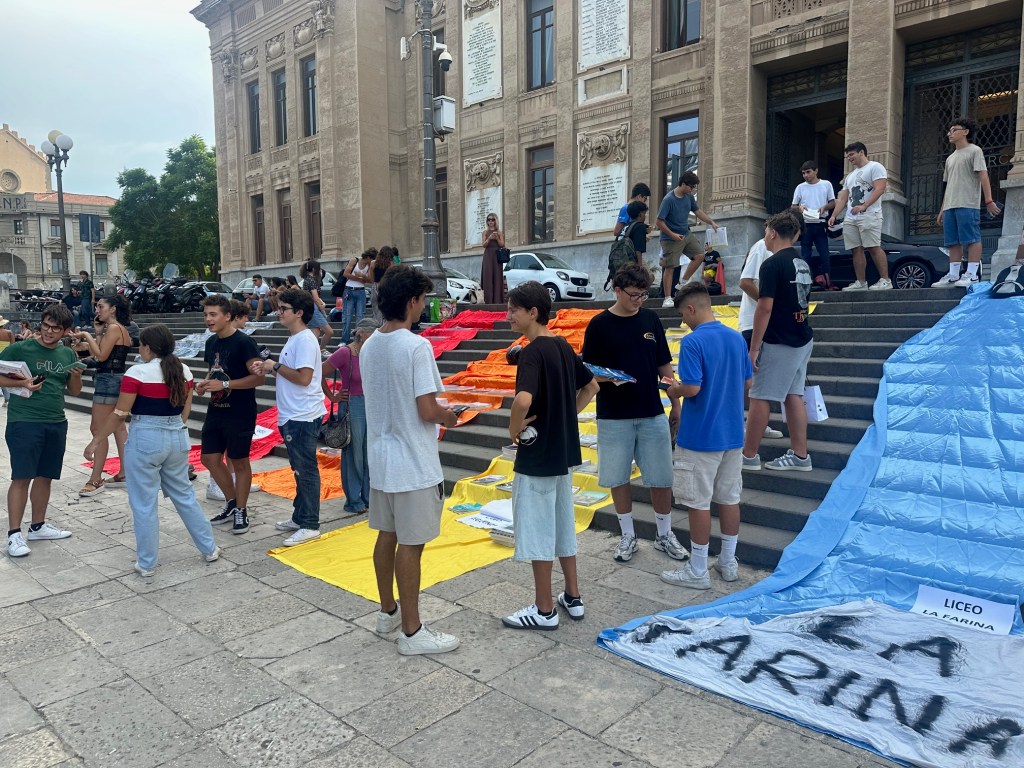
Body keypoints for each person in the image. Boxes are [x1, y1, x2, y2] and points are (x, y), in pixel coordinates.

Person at [360, 265, 460, 655]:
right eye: (422, 300)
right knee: (412, 544)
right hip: (412, 460)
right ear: (412, 301)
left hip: (381, 455)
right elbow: (426, 408)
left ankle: (388, 611)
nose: (423, 307)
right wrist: (450, 416)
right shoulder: (416, 346)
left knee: (387, 535)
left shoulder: (370, 344)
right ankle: (413, 631)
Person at [84, 324, 220, 576]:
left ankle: (147, 563)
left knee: (144, 503)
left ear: (147, 347)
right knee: (185, 496)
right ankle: (209, 548)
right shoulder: (185, 370)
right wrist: (175, 428)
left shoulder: (137, 372)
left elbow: (120, 413)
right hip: (177, 436)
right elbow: (185, 412)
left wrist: (96, 440)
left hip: (146, 437)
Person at [501, 282, 599, 630]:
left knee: (537, 529)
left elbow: (523, 401)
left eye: (514, 309)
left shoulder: (531, 352)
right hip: (561, 452)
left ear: (533, 312)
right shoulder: (561, 346)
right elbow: (591, 386)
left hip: (537, 454)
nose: (508, 315)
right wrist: (566, 417)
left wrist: (514, 430)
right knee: (561, 523)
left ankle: (544, 609)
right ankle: (572, 595)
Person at [580, 263, 688, 564]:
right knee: (618, 477)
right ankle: (627, 535)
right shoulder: (599, 324)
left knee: (661, 477)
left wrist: (674, 397)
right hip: (614, 414)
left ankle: (665, 534)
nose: (638, 300)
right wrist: (609, 377)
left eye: (643, 295)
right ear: (617, 290)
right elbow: (587, 370)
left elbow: (663, 364)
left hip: (651, 410)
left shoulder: (651, 319)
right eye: (633, 295)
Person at [661, 282, 751, 589]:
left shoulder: (692, 342)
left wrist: (672, 389)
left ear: (691, 308)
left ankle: (697, 569)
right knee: (729, 499)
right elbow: (748, 383)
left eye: (682, 315)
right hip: (732, 433)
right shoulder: (736, 338)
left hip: (700, 435)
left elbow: (693, 387)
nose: (683, 322)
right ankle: (728, 561)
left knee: (698, 502)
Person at [1, 305, 82, 558]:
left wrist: (77, 373)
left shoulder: (67, 354)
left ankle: (38, 526)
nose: (48, 331)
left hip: (56, 421)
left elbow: (75, 391)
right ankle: (14, 535)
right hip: (24, 421)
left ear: (65, 331)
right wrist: (22, 382)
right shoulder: (21, 348)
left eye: (55, 328)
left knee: (45, 476)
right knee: (22, 476)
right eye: (46, 325)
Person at [251, 289, 327, 545]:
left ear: (299, 312)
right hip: (292, 413)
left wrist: (275, 366)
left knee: (306, 470)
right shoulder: (296, 338)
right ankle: (300, 516)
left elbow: (304, 378)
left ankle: (310, 523)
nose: (279, 312)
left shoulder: (305, 339)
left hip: (302, 415)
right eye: (279, 308)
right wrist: (268, 367)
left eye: (283, 308)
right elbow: (291, 374)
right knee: (298, 469)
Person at [741, 210, 814, 472]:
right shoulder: (802, 262)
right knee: (793, 395)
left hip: (781, 338)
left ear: (772, 232)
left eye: (765, 233)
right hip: (802, 335)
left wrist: (754, 347)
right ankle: (800, 455)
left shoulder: (772, 264)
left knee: (760, 396)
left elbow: (765, 307)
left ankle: (748, 456)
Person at [196, 295, 265, 534]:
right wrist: (204, 384)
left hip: (240, 411)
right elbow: (213, 372)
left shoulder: (244, 342)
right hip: (216, 409)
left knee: (239, 461)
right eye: (206, 314)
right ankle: (232, 502)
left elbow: (259, 377)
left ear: (227, 316)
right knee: (209, 458)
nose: (208, 319)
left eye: (213, 314)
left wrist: (225, 386)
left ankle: (241, 511)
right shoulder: (211, 343)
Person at [933, 117, 1003, 288]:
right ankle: (953, 275)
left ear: (965, 132)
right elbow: (947, 185)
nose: (949, 133)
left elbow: (983, 175)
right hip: (950, 205)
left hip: (967, 203)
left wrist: (988, 200)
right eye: (949, 131)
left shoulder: (974, 151)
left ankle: (972, 274)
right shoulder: (950, 158)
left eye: (953, 130)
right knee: (952, 242)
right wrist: (942, 209)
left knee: (971, 238)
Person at [75, 295, 132, 496]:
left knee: (98, 429)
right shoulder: (118, 329)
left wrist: (86, 335)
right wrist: (98, 333)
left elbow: (100, 356)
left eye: (100, 306)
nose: (97, 310)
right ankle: (124, 473)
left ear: (113, 309)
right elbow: (103, 353)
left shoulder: (115, 328)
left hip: (108, 380)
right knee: (117, 428)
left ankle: (96, 479)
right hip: (114, 378)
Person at [323, 316, 378, 514]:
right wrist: (333, 396)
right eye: (372, 334)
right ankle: (354, 499)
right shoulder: (345, 352)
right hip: (352, 405)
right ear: (361, 333)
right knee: (354, 453)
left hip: (369, 404)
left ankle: (367, 496)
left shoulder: (370, 352)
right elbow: (319, 372)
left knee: (368, 451)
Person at [738, 233, 784, 442]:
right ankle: (742, 422)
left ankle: (757, 423)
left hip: (767, 322)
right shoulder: (760, 247)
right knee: (749, 377)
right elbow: (745, 282)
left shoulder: (778, 253)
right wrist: (767, 302)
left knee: (761, 378)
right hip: (752, 322)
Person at [829, 142, 891, 291]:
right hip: (851, 217)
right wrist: (834, 215)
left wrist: (865, 205)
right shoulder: (850, 176)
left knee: (873, 246)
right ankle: (861, 283)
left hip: (870, 214)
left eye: (851, 154)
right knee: (855, 249)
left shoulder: (875, 167)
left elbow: (880, 188)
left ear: (861, 152)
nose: (849, 158)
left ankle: (885, 280)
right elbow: (843, 198)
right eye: (847, 155)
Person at [656, 172, 719, 306]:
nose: (692, 189)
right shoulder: (668, 200)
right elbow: (659, 222)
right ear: (683, 184)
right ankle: (667, 298)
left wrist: (711, 222)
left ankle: (682, 283)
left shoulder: (689, 197)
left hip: (685, 233)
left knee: (700, 255)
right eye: (691, 186)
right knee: (670, 266)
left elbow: (698, 212)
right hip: (670, 238)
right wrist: (672, 235)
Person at [791, 161, 837, 286]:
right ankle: (807, 281)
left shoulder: (826, 184)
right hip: (805, 224)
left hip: (820, 222)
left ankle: (828, 281)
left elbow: (833, 202)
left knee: (824, 253)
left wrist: (825, 207)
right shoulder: (800, 187)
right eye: (803, 173)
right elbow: (793, 206)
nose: (806, 175)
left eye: (808, 172)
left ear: (816, 171)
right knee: (806, 254)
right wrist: (800, 208)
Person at [341, 249, 374, 343]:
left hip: (361, 291)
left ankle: (357, 339)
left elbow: (370, 280)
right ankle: (344, 339)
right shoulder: (354, 260)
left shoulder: (369, 265)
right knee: (347, 316)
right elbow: (346, 274)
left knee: (360, 316)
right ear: (368, 257)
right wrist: (359, 279)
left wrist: (362, 276)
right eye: (371, 259)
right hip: (349, 290)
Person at [300, 259, 334, 350]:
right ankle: (321, 349)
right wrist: (322, 305)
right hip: (313, 307)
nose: (320, 271)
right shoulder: (312, 280)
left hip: (308, 306)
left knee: (316, 332)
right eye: (319, 269)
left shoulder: (307, 279)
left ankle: (311, 351)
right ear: (315, 269)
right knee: (329, 332)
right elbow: (315, 297)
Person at [480, 213, 506, 305]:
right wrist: (489, 238)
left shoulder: (499, 231)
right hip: (488, 256)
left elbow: (502, 244)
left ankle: (497, 300)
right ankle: (488, 300)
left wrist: (497, 239)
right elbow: (483, 245)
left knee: (497, 276)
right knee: (488, 276)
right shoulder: (485, 232)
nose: (490, 221)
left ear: (496, 221)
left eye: (492, 219)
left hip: (497, 255)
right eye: (489, 220)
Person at [369, 246, 396, 325]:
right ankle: (385, 327)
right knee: (386, 309)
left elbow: (371, 279)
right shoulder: (391, 263)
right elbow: (392, 277)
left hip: (375, 287)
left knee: (376, 310)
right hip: (386, 287)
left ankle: (377, 327)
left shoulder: (373, 262)